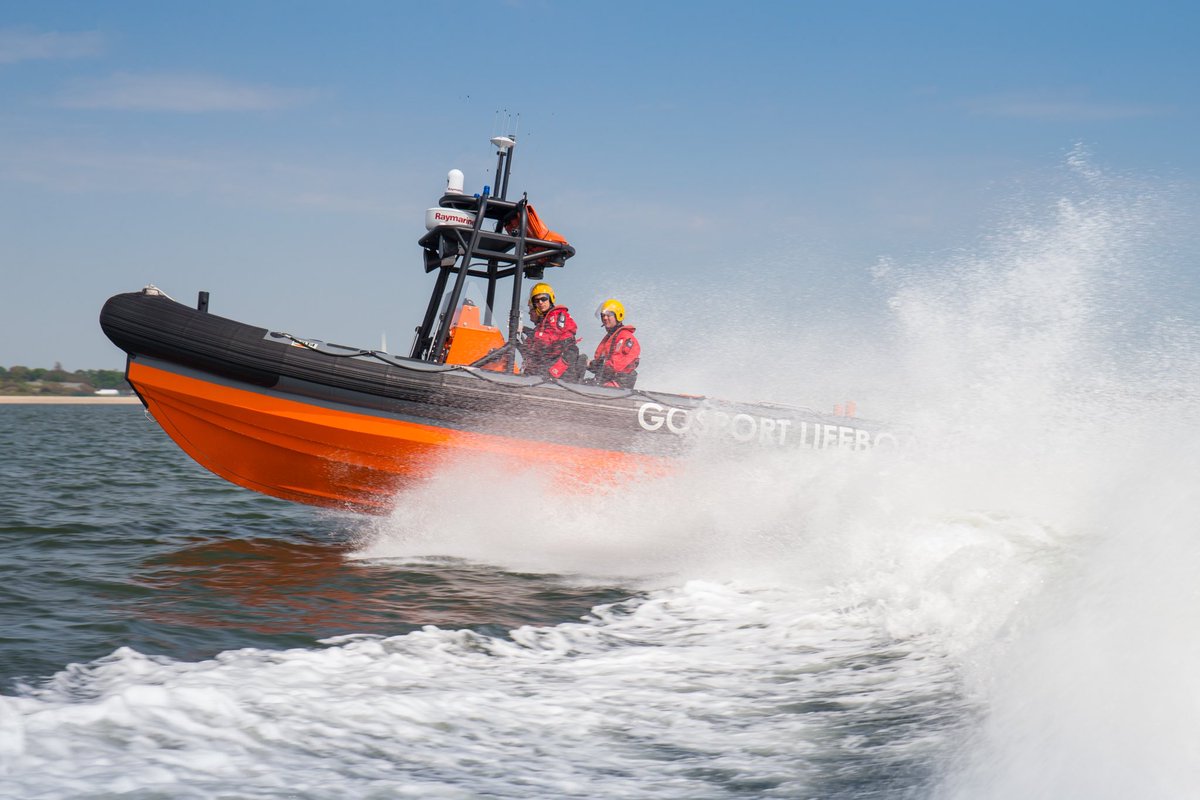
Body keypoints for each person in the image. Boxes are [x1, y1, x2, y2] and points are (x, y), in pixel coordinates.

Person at [519, 282, 583, 380]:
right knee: (530, 373)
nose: (540, 302)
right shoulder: (544, 322)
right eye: (537, 300)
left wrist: (526, 330)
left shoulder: (557, 315)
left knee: (537, 375)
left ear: (550, 298)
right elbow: (533, 346)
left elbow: (551, 337)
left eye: (543, 299)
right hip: (549, 361)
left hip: (560, 366)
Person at [587, 298, 640, 388]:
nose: (605, 318)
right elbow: (602, 362)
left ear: (618, 315)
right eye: (603, 315)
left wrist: (592, 364)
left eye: (609, 315)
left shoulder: (625, 337)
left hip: (617, 385)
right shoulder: (611, 337)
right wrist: (585, 363)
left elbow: (615, 366)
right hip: (605, 381)